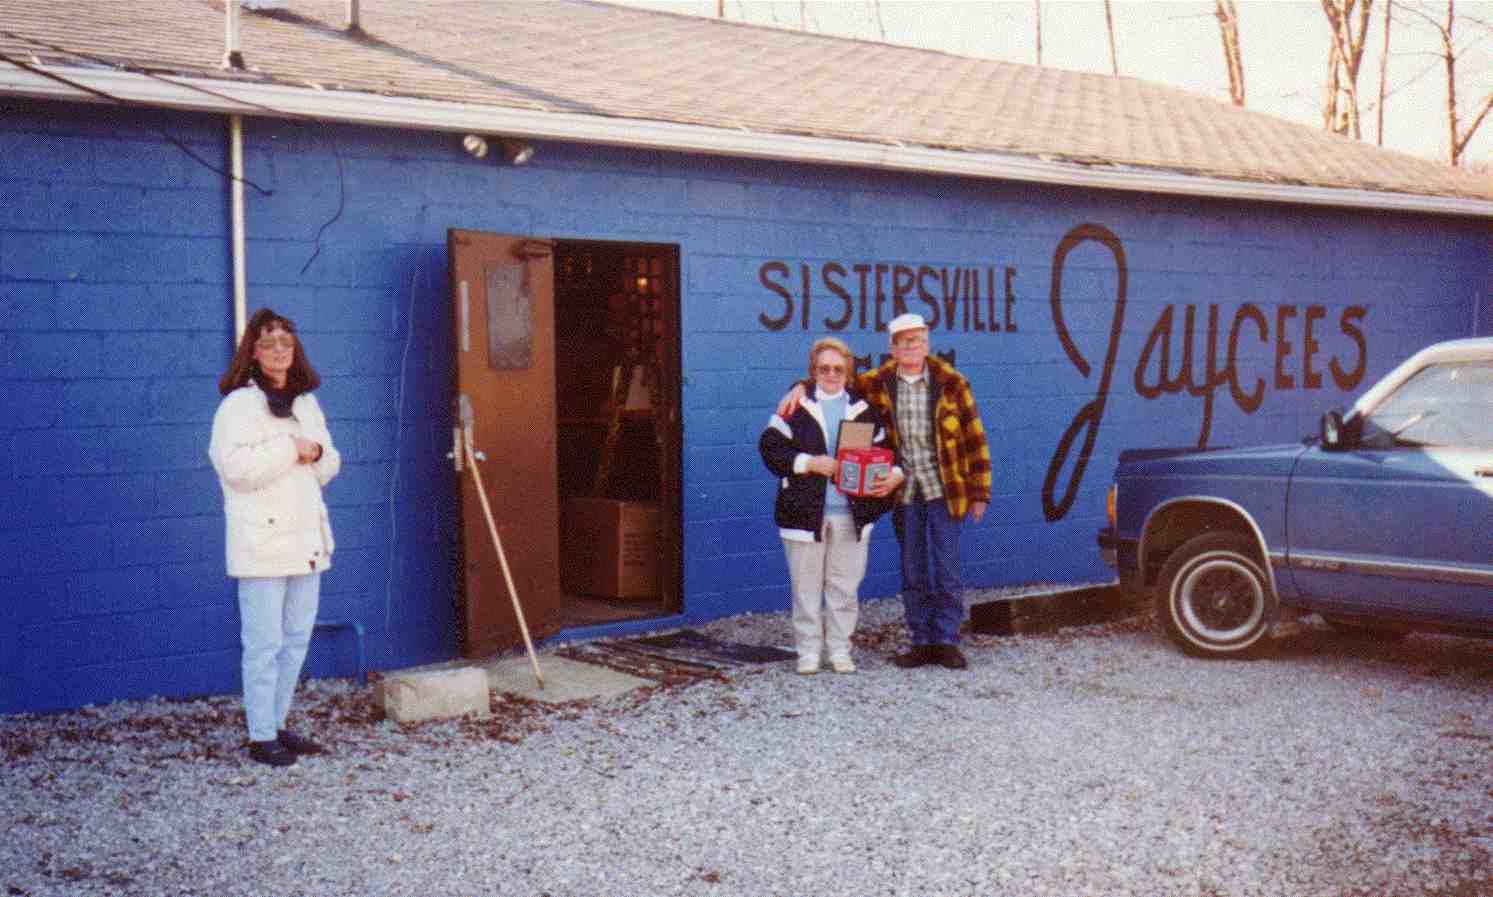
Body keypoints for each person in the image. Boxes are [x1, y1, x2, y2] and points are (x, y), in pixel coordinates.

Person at [777, 313, 991, 670]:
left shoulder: (953, 383)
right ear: (892, 347)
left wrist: (980, 492)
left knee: (947, 566)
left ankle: (946, 640)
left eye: (916, 340)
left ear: (927, 343)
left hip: (946, 488)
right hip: (903, 490)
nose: (910, 347)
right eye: (903, 342)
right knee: (912, 567)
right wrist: (800, 385)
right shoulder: (877, 382)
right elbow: (833, 380)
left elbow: (975, 436)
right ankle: (921, 640)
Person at [209, 308, 341, 767]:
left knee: (296, 637)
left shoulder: (306, 404)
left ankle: (279, 722)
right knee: (264, 643)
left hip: (305, 539)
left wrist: (316, 452)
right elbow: (233, 466)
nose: (279, 350)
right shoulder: (238, 406)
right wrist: (289, 449)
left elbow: (329, 462)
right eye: (269, 342)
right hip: (262, 543)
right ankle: (260, 735)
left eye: (286, 341)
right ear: (253, 351)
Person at [760, 337, 905, 675]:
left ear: (848, 372)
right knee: (806, 589)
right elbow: (770, 448)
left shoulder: (863, 409)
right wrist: (809, 463)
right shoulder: (794, 406)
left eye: (838, 369)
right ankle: (808, 652)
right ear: (813, 371)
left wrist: (894, 475)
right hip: (803, 514)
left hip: (851, 515)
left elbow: (888, 453)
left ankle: (840, 650)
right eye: (824, 368)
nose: (831, 374)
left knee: (844, 587)